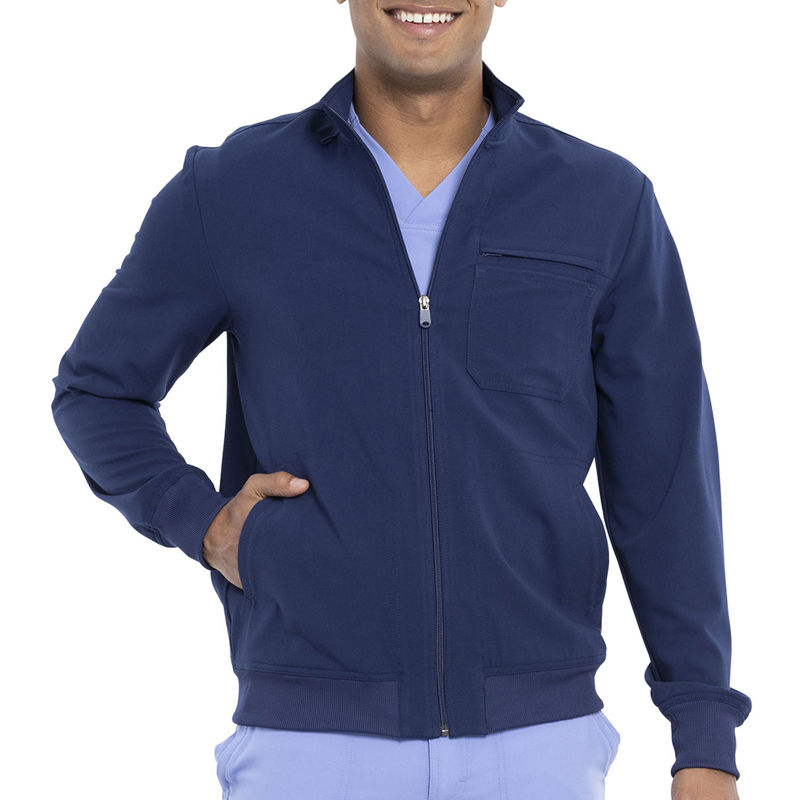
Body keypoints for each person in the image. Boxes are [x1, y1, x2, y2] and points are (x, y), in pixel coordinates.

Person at [50, 1, 752, 798]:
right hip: (307, 747)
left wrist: (705, 739)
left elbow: (664, 484)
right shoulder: (233, 190)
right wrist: (200, 522)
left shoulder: (604, 201)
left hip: (539, 745)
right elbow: (98, 388)